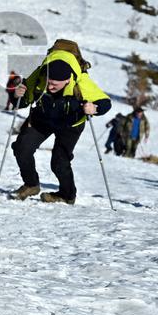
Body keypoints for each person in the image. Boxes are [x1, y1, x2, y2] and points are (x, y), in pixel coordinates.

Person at [9, 49, 111, 204]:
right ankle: (31, 185)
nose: (50, 87)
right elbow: (22, 102)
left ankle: (67, 195)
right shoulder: (41, 74)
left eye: (54, 84)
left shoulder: (81, 81)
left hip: (70, 124)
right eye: (48, 82)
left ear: (68, 80)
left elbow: (105, 103)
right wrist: (16, 95)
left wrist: (94, 108)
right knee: (22, 148)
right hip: (43, 118)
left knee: (59, 161)